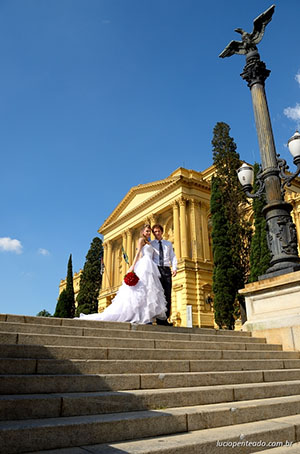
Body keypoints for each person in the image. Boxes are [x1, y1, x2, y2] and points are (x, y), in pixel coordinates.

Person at [76, 225, 167, 324]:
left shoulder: (150, 242)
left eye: (149, 231)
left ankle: (146, 317)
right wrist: (133, 266)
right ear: (143, 232)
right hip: (144, 265)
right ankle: (141, 317)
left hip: (151, 266)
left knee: (148, 292)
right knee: (140, 291)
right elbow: (139, 254)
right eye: (147, 231)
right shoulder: (141, 240)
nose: (148, 233)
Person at [150, 224, 177, 326]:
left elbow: (172, 257)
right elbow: (150, 258)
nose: (157, 233)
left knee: (167, 294)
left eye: (158, 231)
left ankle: (165, 318)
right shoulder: (151, 244)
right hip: (156, 269)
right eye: (155, 232)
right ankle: (157, 318)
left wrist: (174, 268)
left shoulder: (168, 244)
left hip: (166, 269)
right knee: (157, 295)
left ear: (162, 232)